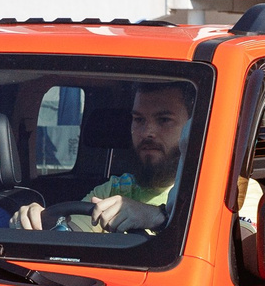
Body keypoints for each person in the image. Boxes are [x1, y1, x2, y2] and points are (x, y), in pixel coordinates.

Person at [14, 82, 193, 232]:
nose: (147, 133)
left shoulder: (203, 195)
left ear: (191, 128)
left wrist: (157, 217)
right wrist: (39, 222)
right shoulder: (113, 190)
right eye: (139, 120)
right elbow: (70, 237)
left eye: (164, 120)